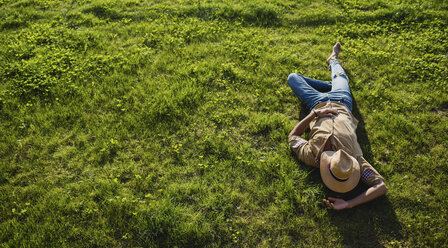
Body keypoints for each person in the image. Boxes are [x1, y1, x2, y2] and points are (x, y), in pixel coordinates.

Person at [287, 42, 387, 210]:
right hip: (343, 101)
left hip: (317, 104)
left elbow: (293, 137)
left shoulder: (313, 157)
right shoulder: (354, 160)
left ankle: (332, 84)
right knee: (339, 77)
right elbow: (381, 186)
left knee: (293, 78)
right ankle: (333, 60)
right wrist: (348, 203)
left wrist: (314, 115)